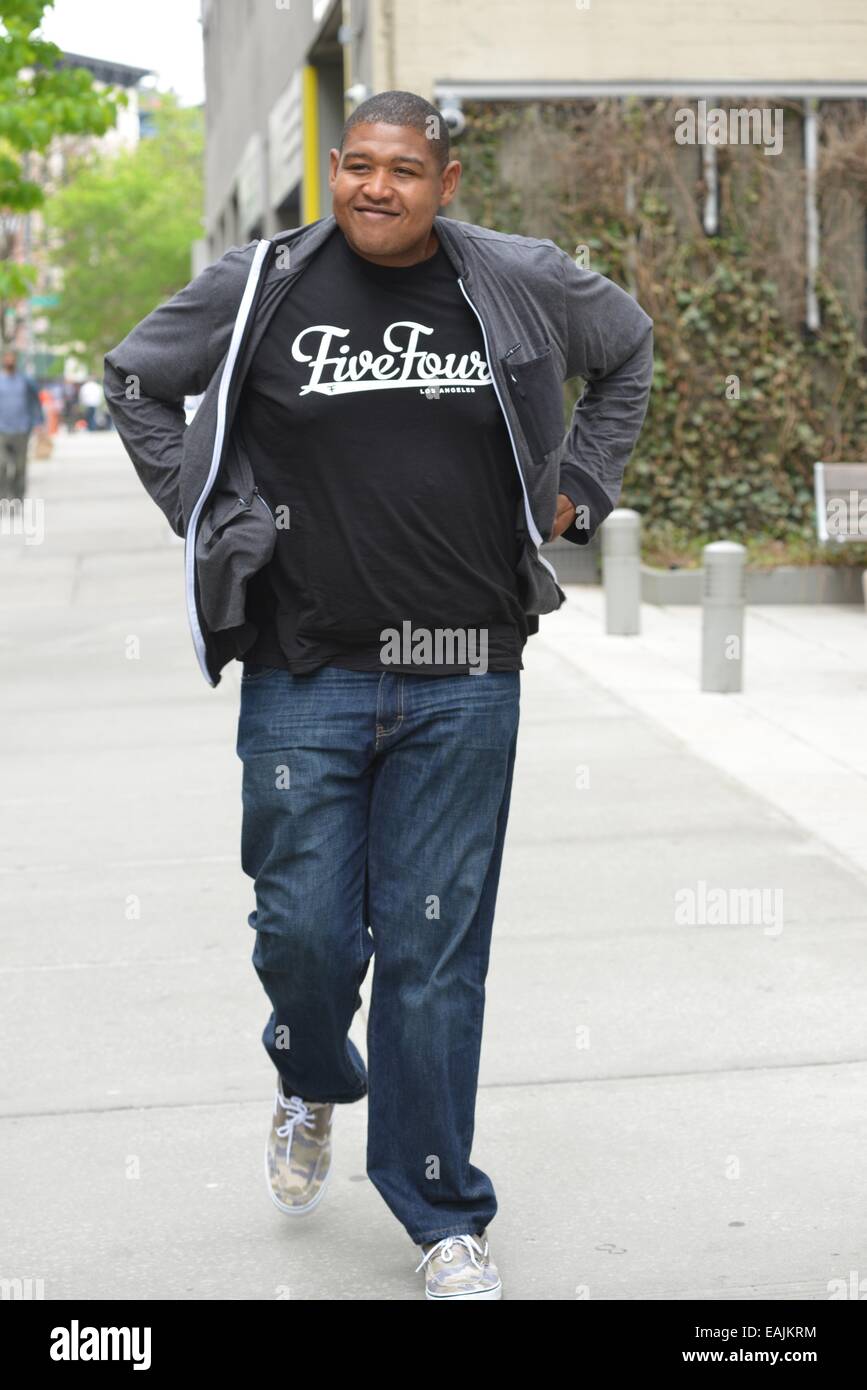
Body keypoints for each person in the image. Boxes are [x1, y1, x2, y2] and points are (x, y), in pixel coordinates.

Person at [103, 89, 654, 1300]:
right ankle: (310, 1074)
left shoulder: (519, 282)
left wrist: (584, 490)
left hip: (467, 674)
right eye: (356, 165)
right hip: (308, 672)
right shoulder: (263, 283)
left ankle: (442, 1211)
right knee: (303, 934)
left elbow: (629, 351)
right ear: (333, 170)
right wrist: (210, 515)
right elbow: (137, 382)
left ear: (446, 183)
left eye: (403, 170)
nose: (374, 188)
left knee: (432, 956)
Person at [0, 350, 44, 499]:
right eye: (7, 357)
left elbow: (36, 402)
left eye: (12, 358)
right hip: (2, 430)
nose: (9, 360)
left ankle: (17, 497)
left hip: (22, 429)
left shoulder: (25, 381)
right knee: (2, 465)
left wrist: (38, 422)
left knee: (20, 467)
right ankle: (3, 497)